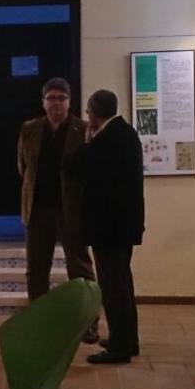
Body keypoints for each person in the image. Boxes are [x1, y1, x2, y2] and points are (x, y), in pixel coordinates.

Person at [17, 77, 99, 343]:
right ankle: (38, 320)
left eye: (61, 98)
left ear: (69, 101)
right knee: (36, 269)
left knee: (80, 267)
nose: (56, 103)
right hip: (38, 209)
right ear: (43, 102)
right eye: (51, 98)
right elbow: (23, 167)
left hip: (71, 210)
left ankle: (89, 322)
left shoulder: (83, 129)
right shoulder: (29, 129)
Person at [80, 89, 145, 365]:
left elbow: (81, 168)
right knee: (122, 284)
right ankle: (127, 338)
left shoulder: (108, 138)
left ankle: (120, 346)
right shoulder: (125, 133)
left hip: (109, 227)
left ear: (94, 112)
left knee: (113, 288)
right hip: (123, 225)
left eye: (88, 112)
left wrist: (88, 143)